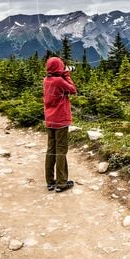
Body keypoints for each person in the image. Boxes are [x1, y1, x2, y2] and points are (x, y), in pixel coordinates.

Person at [43, 56, 77, 192]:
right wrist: (67, 74)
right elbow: (73, 90)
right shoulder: (59, 81)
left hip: (49, 120)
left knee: (51, 149)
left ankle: (50, 181)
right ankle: (62, 182)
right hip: (60, 121)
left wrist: (61, 73)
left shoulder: (46, 80)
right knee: (61, 150)